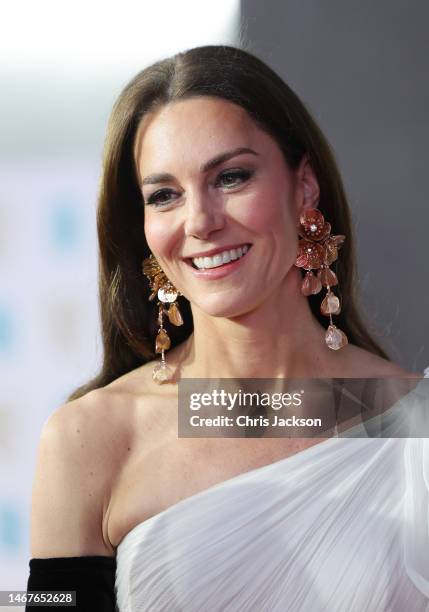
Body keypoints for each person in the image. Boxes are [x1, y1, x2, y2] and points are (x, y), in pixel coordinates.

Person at [26, 45, 429, 611]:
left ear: (303, 187)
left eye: (231, 177)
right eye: (164, 195)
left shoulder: (416, 426)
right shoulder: (92, 440)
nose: (200, 221)